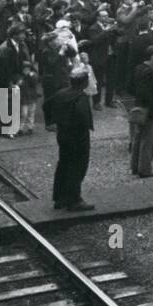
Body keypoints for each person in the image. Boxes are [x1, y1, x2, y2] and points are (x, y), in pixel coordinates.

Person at [51, 69, 95, 211]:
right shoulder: (81, 98)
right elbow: (84, 118)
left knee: (63, 165)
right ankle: (74, 200)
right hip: (78, 138)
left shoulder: (60, 94)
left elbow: (48, 108)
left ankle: (60, 198)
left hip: (63, 136)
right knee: (77, 168)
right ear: (84, 83)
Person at [130, 44, 153, 177]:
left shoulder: (139, 68)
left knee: (138, 138)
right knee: (148, 140)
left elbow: (131, 86)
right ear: (152, 57)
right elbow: (149, 93)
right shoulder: (150, 72)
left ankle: (135, 166)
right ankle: (145, 169)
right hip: (149, 109)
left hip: (139, 107)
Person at [0, 22, 30, 137]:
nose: (24, 36)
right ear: (14, 35)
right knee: (6, 103)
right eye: (22, 34)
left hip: (13, 76)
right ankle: (4, 130)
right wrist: (10, 84)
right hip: (3, 78)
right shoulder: (4, 49)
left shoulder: (20, 45)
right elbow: (3, 70)